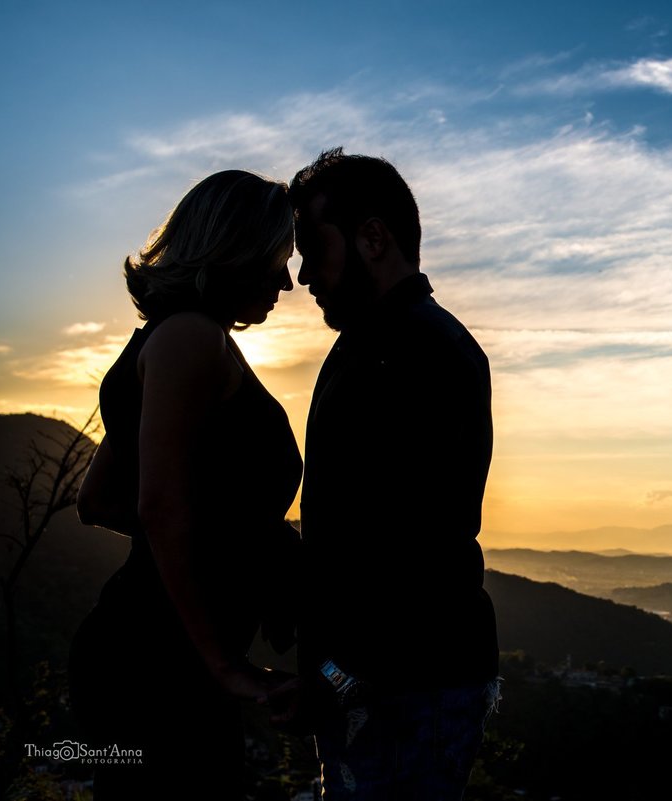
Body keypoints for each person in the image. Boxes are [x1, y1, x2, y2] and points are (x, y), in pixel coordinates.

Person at [68, 170, 303, 800]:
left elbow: (99, 501)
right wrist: (222, 665)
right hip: (161, 664)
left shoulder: (168, 339)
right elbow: (160, 507)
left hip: (147, 653)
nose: (286, 282)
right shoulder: (191, 340)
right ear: (235, 249)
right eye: (278, 261)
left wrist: (242, 542)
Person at [288, 148, 500, 799]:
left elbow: (400, 553)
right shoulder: (384, 344)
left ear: (372, 237)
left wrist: (332, 680)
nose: (300, 274)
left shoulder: (417, 353)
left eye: (311, 247)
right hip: (395, 683)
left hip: (408, 689)